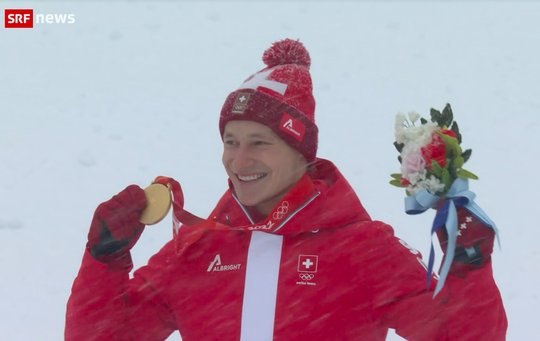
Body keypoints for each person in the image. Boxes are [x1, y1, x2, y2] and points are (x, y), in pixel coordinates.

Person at [65, 39, 507, 341]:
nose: (239, 161)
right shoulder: (195, 251)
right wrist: (104, 258)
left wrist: (468, 265)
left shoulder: (362, 248)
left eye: (260, 143)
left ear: (302, 154)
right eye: (230, 142)